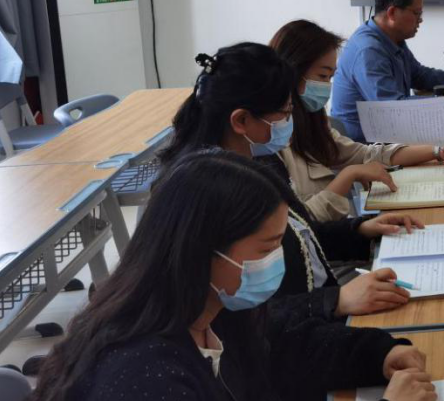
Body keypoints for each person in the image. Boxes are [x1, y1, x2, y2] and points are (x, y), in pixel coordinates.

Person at [18, 150, 435, 401]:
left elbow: (284, 344)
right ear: (201, 251)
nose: (276, 259)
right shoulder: (136, 370)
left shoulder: (208, 305)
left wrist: (376, 354)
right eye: (266, 248)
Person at [159, 42, 421, 318]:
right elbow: (233, 318)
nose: (289, 122)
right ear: (241, 121)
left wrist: (360, 231)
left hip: (315, 312)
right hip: (298, 326)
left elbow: (296, 238)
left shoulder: (261, 159)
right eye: (285, 113)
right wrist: (335, 300)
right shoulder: (206, 195)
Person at [270, 19, 444, 221]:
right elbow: (297, 224)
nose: (327, 86)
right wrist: (350, 175)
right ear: (292, 72)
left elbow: (366, 154)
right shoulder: (271, 139)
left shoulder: (311, 119)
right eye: (322, 76)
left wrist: (437, 151)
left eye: (330, 77)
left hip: (340, 230)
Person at [330, 0, 444, 142]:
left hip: (388, 135)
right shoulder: (368, 51)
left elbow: (419, 75)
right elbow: (394, 110)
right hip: (365, 148)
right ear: (392, 13)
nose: (420, 20)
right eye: (416, 13)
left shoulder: (391, 38)